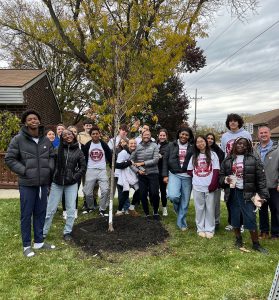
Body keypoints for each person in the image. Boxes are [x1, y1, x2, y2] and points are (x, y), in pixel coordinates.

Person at [5, 109, 55, 257]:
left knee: (40, 212)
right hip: (27, 183)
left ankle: (39, 242)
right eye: (30, 119)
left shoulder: (45, 140)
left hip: (43, 183)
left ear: (39, 121)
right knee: (26, 215)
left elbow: (52, 156)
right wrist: (25, 170)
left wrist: (49, 169)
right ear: (26, 122)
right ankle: (26, 245)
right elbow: (9, 158)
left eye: (35, 118)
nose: (33, 121)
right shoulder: (18, 139)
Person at [219, 137, 269, 253]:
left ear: (248, 146)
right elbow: (220, 177)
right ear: (234, 145)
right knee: (235, 217)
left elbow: (261, 179)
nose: (241, 146)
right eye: (239, 144)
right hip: (233, 193)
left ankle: (256, 244)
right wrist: (226, 179)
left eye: (244, 144)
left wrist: (263, 196)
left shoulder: (254, 159)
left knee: (250, 218)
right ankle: (238, 239)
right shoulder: (228, 160)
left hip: (248, 193)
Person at [43, 129, 86, 241]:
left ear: (73, 136)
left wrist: (75, 177)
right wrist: (51, 178)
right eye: (65, 135)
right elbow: (50, 165)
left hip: (71, 184)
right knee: (50, 209)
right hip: (57, 183)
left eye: (70, 134)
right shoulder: (57, 150)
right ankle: (43, 232)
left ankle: (67, 232)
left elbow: (83, 167)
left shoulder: (78, 151)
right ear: (62, 138)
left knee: (71, 209)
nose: (68, 136)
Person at [221, 113, 252, 231]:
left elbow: (249, 150)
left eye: (235, 121)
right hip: (230, 168)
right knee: (230, 196)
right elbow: (225, 152)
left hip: (242, 168)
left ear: (239, 122)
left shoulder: (245, 134)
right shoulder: (225, 136)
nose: (232, 123)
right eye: (230, 121)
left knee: (243, 197)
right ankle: (232, 222)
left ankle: (243, 223)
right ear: (228, 123)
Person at [162, 127, 194, 230]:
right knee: (173, 196)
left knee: (185, 201)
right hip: (174, 174)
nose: (184, 136)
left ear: (189, 137)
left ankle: (182, 223)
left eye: (186, 135)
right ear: (179, 134)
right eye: (182, 134)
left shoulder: (192, 147)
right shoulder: (171, 145)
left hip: (187, 176)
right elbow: (165, 161)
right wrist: (165, 175)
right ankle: (178, 210)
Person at [187, 136, 220, 238]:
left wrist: (213, 183)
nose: (200, 143)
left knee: (210, 208)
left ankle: (210, 229)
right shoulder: (194, 156)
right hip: (197, 186)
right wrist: (198, 177)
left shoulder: (213, 154)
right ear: (195, 144)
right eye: (198, 142)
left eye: (202, 141)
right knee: (199, 208)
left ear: (205, 142)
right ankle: (200, 228)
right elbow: (189, 170)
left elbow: (216, 170)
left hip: (209, 186)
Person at [254, 126, 279, 239]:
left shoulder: (277, 148)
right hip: (260, 186)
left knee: (275, 209)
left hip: (274, 184)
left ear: (269, 134)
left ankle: (275, 233)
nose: (263, 135)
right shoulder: (255, 149)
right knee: (262, 209)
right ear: (258, 135)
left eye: (265, 132)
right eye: (261, 133)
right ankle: (264, 231)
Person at [82, 125, 112, 216]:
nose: (95, 135)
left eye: (97, 133)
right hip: (90, 170)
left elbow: (110, 156)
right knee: (87, 192)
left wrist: (112, 165)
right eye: (93, 134)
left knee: (105, 190)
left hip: (102, 170)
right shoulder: (87, 145)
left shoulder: (103, 144)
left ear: (99, 134)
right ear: (91, 135)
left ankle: (102, 209)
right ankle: (90, 207)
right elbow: (83, 157)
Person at [130, 130, 160, 219]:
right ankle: (147, 213)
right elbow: (130, 161)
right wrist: (137, 171)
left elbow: (155, 160)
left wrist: (142, 163)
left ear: (150, 136)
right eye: (145, 134)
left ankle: (155, 212)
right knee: (142, 194)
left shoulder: (154, 146)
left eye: (148, 134)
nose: (146, 136)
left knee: (154, 193)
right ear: (141, 136)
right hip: (142, 175)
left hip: (153, 173)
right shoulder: (137, 147)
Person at [115, 138, 140, 216]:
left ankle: (131, 208)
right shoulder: (123, 153)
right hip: (121, 175)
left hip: (132, 175)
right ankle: (119, 211)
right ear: (128, 144)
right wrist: (128, 162)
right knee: (125, 193)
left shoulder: (135, 153)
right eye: (131, 143)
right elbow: (117, 165)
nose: (133, 145)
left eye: (134, 143)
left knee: (139, 190)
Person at [62, 125, 81, 219]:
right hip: (64, 174)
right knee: (64, 192)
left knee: (75, 192)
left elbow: (83, 161)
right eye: (71, 132)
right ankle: (65, 210)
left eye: (74, 131)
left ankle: (74, 210)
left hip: (76, 173)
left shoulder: (81, 146)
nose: (72, 133)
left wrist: (77, 173)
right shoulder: (62, 147)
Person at [206, 133, 225, 228]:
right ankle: (207, 220)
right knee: (206, 203)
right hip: (204, 180)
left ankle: (216, 221)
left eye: (211, 139)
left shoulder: (219, 152)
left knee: (216, 202)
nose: (209, 140)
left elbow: (221, 166)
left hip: (216, 179)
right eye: (208, 138)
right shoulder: (200, 150)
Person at [157, 129, 169, 216]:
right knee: (154, 191)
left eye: (163, 135)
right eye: (161, 135)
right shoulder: (155, 145)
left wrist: (162, 156)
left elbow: (168, 157)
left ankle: (164, 208)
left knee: (163, 190)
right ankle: (156, 206)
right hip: (154, 171)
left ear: (166, 136)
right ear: (158, 136)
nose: (162, 137)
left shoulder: (169, 145)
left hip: (163, 171)